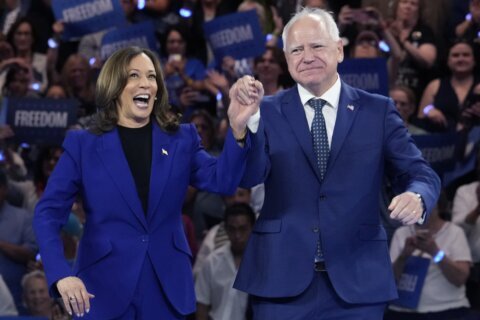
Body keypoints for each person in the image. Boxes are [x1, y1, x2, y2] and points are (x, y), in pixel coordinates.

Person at [231, 7, 441, 319]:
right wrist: (240, 130)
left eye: (317, 46)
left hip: (358, 282)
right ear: (286, 59)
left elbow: (419, 172)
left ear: (339, 50)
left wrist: (417, 195)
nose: (307, 56)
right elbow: (248, 177)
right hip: (281, 280)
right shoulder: (267, 110)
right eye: (297, 50)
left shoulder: (378, 111)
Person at [33, 46, 258, 320]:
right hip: (102, 290)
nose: (146, 84)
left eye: (151, 77)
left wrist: (237, 129)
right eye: (134, 76)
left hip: (166, 290)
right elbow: (47, 213)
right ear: (114, 86)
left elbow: (223, 180)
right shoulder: (83, 144)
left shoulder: (181, 139)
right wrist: (60, 275)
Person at [387, 192, 471, 319]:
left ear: (439, 205)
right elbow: (389, 281)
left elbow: (459, 279)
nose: (422, 207)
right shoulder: (401, 233)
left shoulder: (455, 232)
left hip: (447, 309)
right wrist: (403, 256)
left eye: (426, 202)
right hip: (402, 310)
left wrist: (435, 253)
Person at [195, 203, 255, 320]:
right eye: (232, 229)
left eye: (243, 229)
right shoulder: (212, 261)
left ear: (252, 228)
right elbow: (202, 305)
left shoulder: (261, 264)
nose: (237, 235)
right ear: (226, 229)